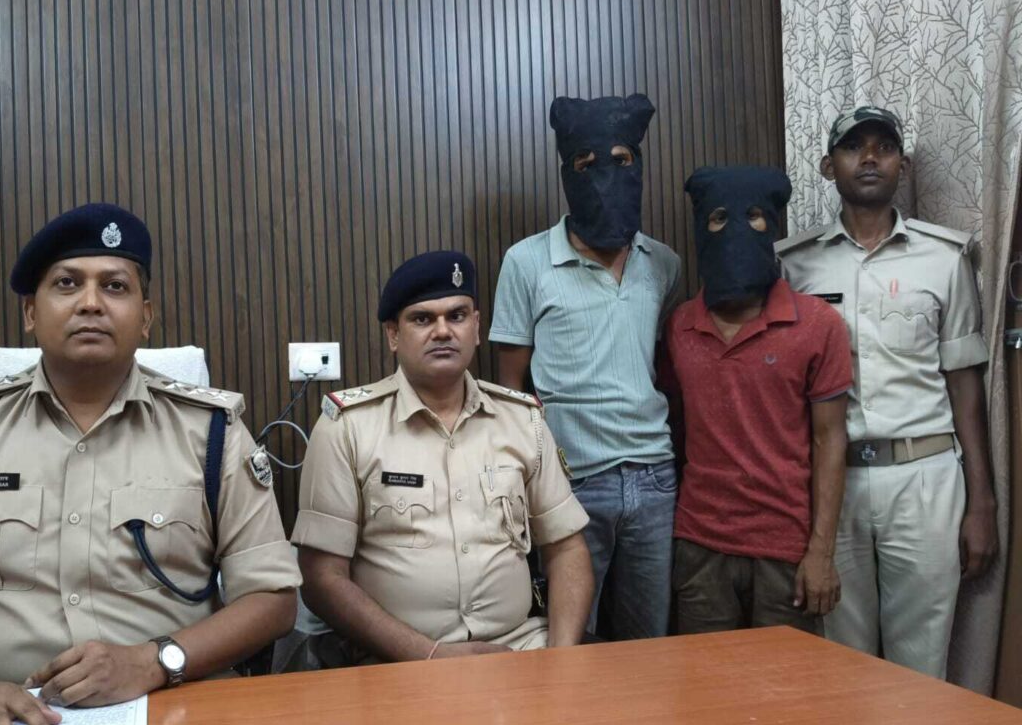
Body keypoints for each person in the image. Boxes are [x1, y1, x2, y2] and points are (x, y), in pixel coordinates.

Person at [0, 203, 300, 725]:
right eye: (66, 283)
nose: (90, 303)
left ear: (145, 317)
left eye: (115, 286)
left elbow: (272, 599)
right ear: (30, 313)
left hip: (174, 712)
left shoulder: (212, 434)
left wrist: (155, 660)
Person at [776, 106, 996, 678]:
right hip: (834, 484)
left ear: (904, 164)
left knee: (921, 667)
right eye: (854, 147)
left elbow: (964, 386)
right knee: (841, 664)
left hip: (924, 479)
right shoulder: (794, 266)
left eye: (884, 147)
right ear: (828, 166)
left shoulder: (944, 259)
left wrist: (982, 502)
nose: (870, 158)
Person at [293, 251, 594, 664]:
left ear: (476, 327)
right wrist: (431, 656)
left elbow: (567, 550)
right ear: (393, 335)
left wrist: (561, 663)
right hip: (395, 661)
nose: (442, 331)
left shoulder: (522, 420)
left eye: (457, 316)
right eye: (422, 319)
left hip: (520, 648)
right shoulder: (347, 428)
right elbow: (321, 578)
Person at [490, 94, 683, 639]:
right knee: (570, 639)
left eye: (621, 160)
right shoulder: (526, 261)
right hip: (571, 482)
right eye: (588, 163)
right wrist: (533, 481)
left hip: (654, 477)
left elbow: (655, 358)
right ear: (567, 172)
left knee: (648, 639)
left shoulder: (662, 263)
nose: (606, 174)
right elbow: (511, 388)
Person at [664, 166, 850, 635]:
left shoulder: (818, 324)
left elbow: (830, 439)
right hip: (701, 546)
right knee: (706, 679)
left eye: (753, 216)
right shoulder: (680, 326)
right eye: (719, 218)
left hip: (785, 550)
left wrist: (821, 551)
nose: (736, 230)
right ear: (701, 226)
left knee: (787, 682)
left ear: (773, 225)